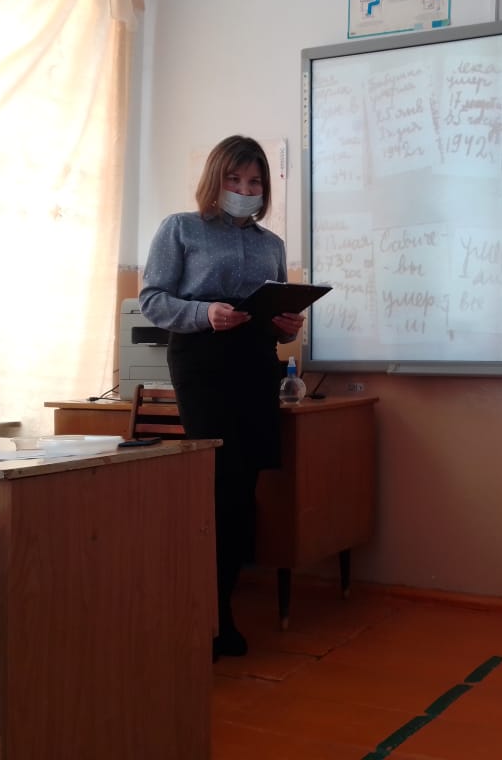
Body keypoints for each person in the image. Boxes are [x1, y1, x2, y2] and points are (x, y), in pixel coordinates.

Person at [139, 135, 305, 661]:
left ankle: (222, 610)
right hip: (203, 361)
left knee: (243, 487)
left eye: (254, 182)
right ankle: (203, 614)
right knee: (215, 483)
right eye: (235, 179)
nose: (244, 190)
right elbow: (152, 300)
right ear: (215, 178)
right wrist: (202, 313)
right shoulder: (180, 228)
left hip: (255, 364)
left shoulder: (272, 244)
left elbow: (273, 318)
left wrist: (286, 325)